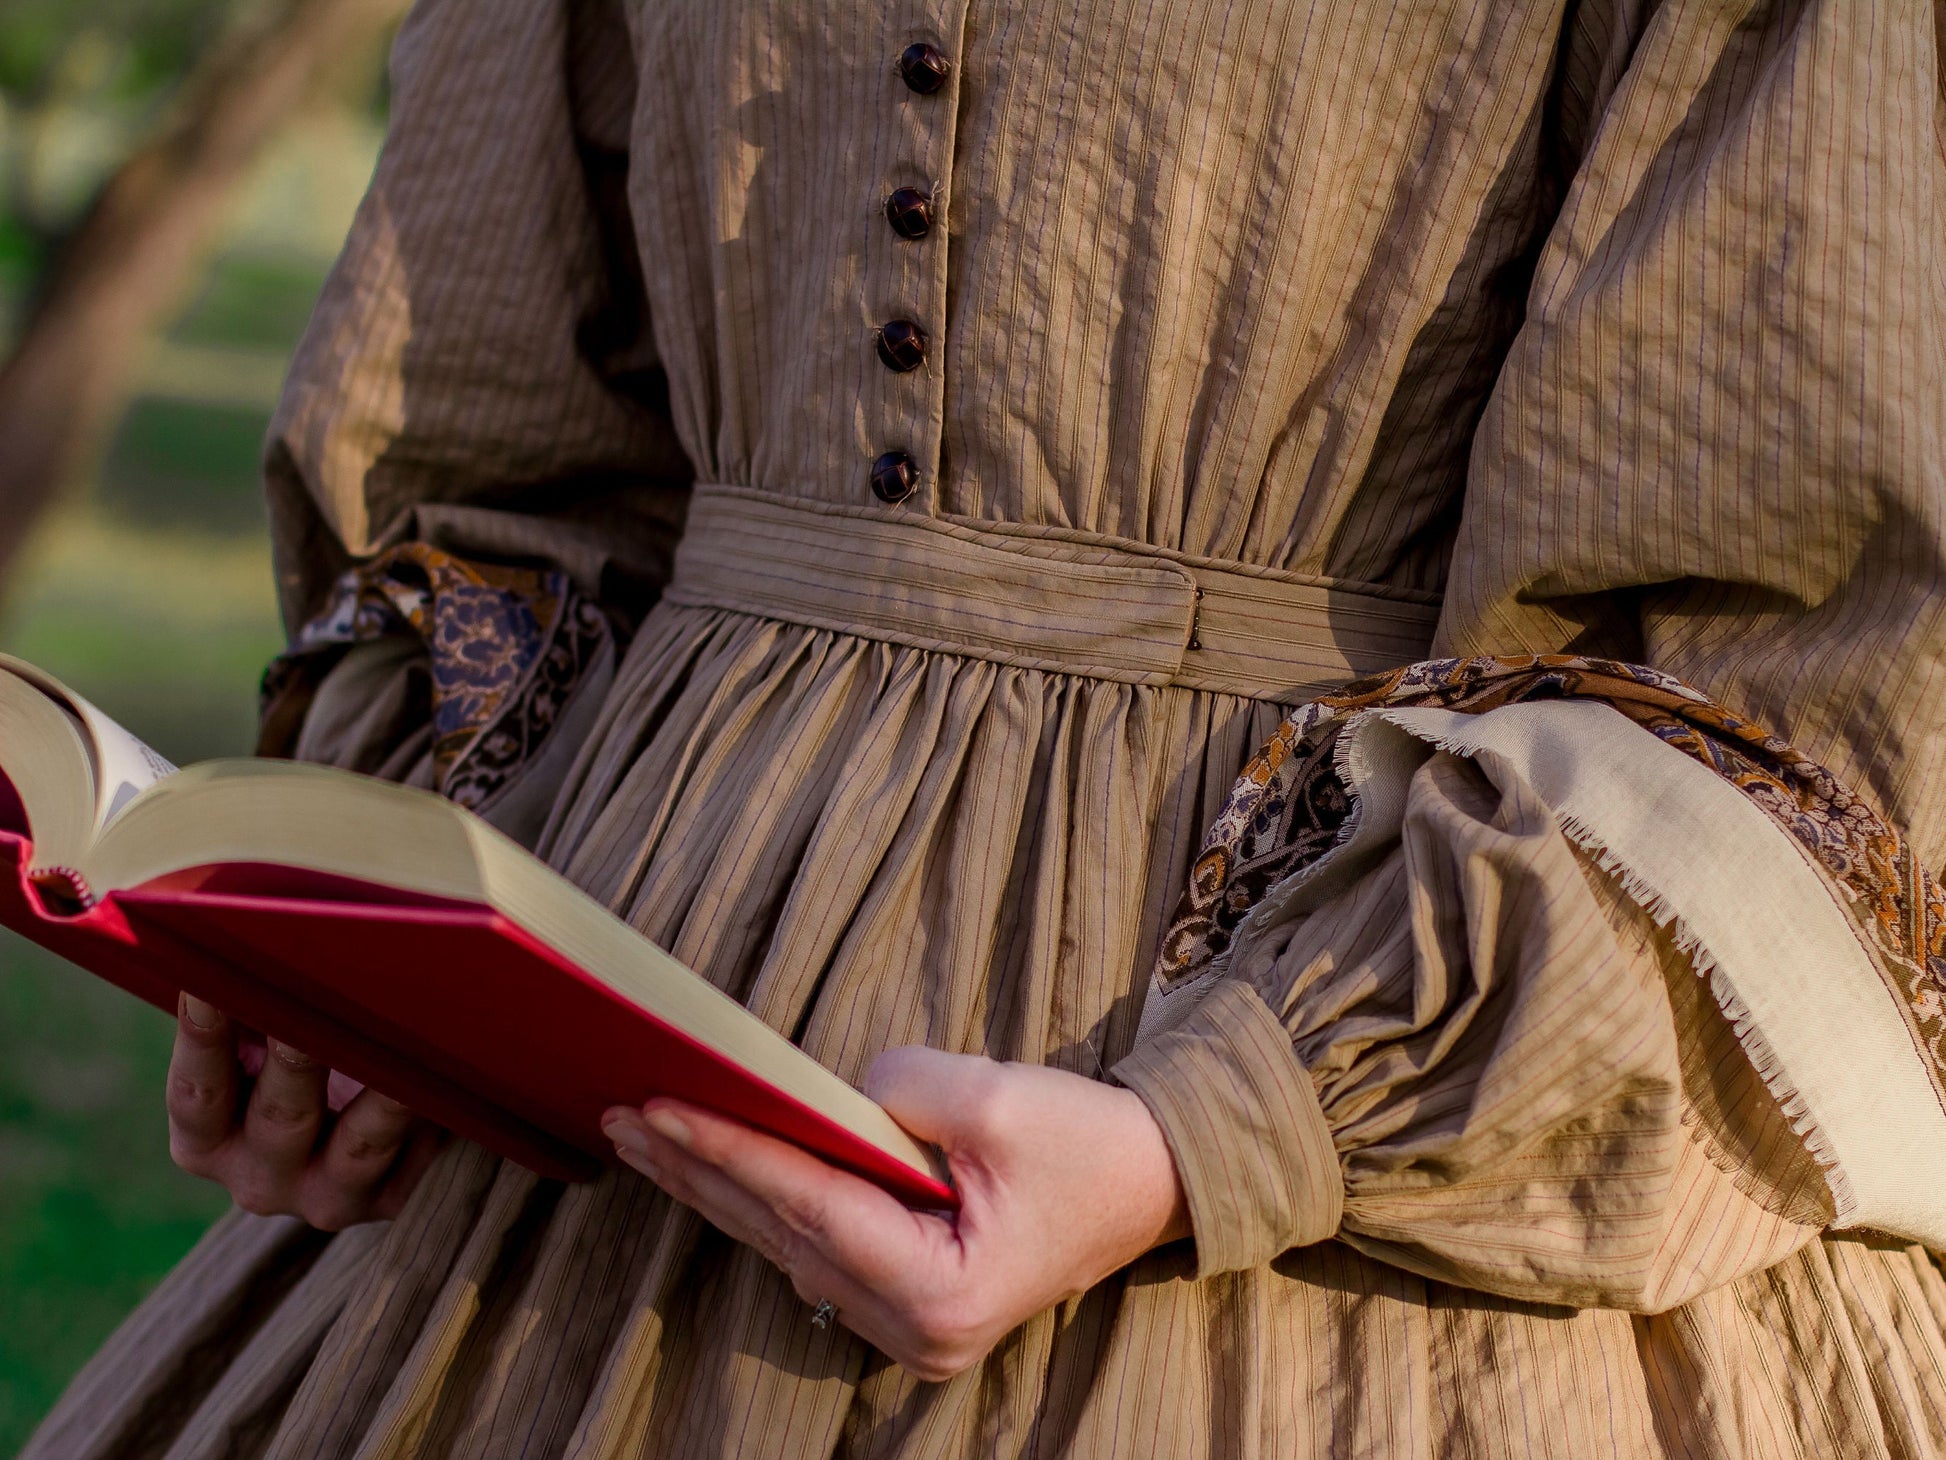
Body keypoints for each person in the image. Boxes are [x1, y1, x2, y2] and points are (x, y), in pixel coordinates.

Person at [25, 0, 1946, 1455]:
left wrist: (1223, 1132)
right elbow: (503, 432)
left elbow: (1772, 639)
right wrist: (370, 981)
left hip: (1297, 1141)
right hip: (628, 1048)